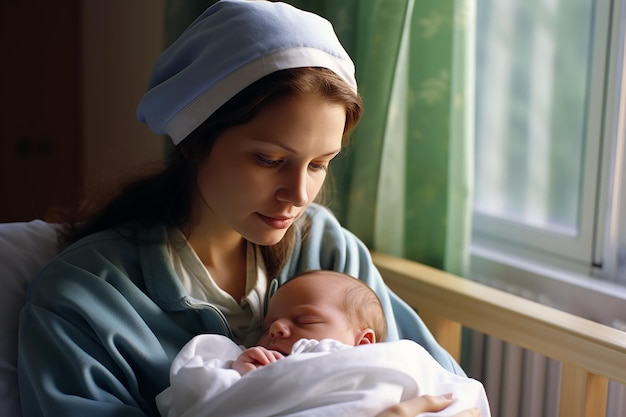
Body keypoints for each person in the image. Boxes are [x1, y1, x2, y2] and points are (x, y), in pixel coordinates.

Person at [17, 1, 479, 416]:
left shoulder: (328, 250)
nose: (299, 194)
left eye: (319, 164)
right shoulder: (83, 298)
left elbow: (454, 393)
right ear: (195, 140)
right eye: (269, 160)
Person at [156, 270, 490, 417]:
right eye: (268, 325)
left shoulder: (381, 360)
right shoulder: (242, 362)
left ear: (364, 343)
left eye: (305, 321)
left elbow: (456, 392)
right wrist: (240, 377)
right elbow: (206, 402)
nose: (277, 330)